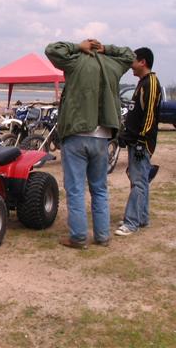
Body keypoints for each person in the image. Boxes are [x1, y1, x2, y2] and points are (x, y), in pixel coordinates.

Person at [46, 39, 135, 249]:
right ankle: (102, 236)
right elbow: (130, 55)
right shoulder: (113, 65)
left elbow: (51, 49)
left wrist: (78, 46)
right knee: (100, 189)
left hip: (76, 134)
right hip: (102, 135)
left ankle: (78, 237)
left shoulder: (75, 61)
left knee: (76, 189)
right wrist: (108, 48)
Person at [115, 47, 162, 237]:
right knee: (140, 180)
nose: (130, 65)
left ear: (142, 62)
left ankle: (131, 223)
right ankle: (142, 217)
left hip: (142, 142)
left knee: (139, 183)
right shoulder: (142, 82)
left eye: (133, 61)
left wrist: (142, 140)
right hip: (134, 140)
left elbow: (150, 115)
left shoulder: (151, 83)